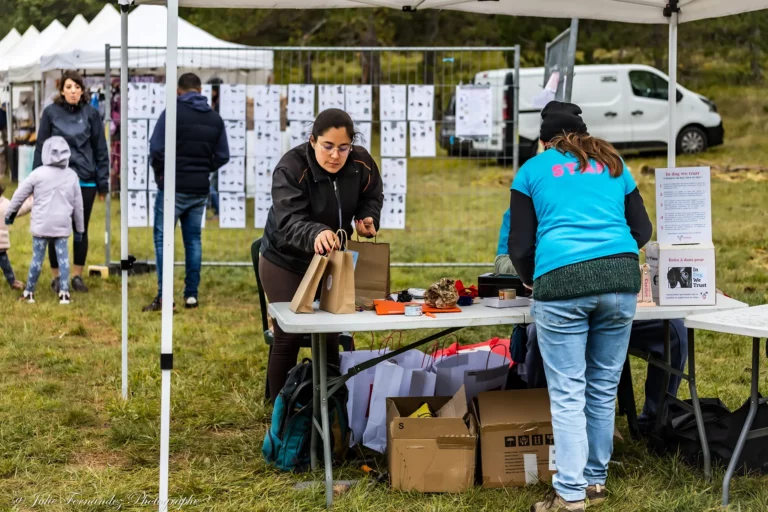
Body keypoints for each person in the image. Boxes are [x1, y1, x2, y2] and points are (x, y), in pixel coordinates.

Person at [508, 102, 652, 512]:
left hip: (561, 281)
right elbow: (641, 229)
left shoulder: (533, 170)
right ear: (582, 133)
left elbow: (519, 244)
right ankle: (594, 480)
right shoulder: (613, 163)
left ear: (544, 141)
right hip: (621, 279)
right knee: (603, 386)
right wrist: (609, 256)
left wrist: (536, 276)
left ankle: (569, 495)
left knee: (569, 391)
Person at [496, 210, 688, 433]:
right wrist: (553, 262)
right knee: (539, 335)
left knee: (674, 330)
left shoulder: (605, 195)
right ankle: (544, 427)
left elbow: (638, 234)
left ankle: (655, 423)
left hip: (612, 306)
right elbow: (502, 262)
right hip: (556, 308)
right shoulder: (529, 200)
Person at [259, 108, 383, 402]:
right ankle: (280, 410)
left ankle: (330, 403)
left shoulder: (361, 163)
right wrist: (315, 233)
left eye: (343, 148)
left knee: (331, 329)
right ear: (312, 140)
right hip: (284, 260)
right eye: (327, 146)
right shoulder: (290, 168)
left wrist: (367, 217)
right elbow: (288, 220)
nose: (335, 155)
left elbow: (372, 194)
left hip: (333, 259)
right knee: (289, 330)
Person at [144, 72, 230, 312]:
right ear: (200, 90)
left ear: (178, 91)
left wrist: (161, 174)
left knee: (163, 241)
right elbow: (223, 155)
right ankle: (191, 294)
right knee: (193, 241)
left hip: (173, 187)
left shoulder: (171, 113)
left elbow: (156, 149)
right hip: (199, 188)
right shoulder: (215, 118)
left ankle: (165, 296)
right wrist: (204, 168)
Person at [34, 70, 109, 294]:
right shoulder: (50, 113)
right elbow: (41, 146)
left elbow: (100, 149)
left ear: (82, 90)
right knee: (54, 228)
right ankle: (57, 276)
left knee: (80, 228)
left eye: (77, 87)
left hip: (85, 180)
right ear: (62, 90)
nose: (73, 91)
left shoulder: (91, 114)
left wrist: (102, 180)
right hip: (55, 179)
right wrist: (36, 179)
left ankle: (76, 275)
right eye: (68, 87)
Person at [5, 136, 84, 305]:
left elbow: (20, 195)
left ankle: (29, 293)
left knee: (37, 259)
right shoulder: (72, 176)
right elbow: (78, 206)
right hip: (62, 226)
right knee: (63, 260)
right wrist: (80, 229)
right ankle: (64, 294)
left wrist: (10, 214)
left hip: (41, 226)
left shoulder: (37, 174)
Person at [0, 184, 33, 289]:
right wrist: (32, 200)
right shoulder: (5, 205)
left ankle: (12, 281)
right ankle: (12, 281)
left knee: (4, 262)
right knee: (5, 264)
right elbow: (20, 209)